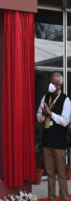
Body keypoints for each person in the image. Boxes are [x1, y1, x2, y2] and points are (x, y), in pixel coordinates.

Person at [36, 72, 71, 201]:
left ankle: (64, 198)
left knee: (61, 173)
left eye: (54, 83)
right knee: (50, 172)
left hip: (59, 142)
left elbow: (65, 121)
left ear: (60, 85)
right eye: (50, 82)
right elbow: (39, 117)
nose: (51, 85)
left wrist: (51, 114)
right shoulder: (45, 97)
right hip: (47, 140)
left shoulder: (65, 100)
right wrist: (43, 115)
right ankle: (51, 198)